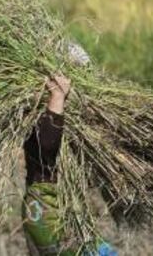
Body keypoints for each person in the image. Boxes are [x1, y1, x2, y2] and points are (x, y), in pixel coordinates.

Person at [22, 42, 118, 256]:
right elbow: (47, 146)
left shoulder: (67, 115)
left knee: (106, 253)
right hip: (46, 208)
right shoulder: (37, 109)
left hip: (64, 208)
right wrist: (57, 96)